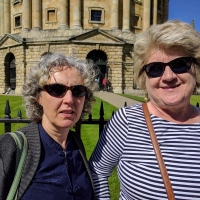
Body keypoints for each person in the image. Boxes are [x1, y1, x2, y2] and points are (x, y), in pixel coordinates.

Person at [89, 20, 200, 199]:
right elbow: (97, 172)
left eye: (180, 64)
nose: (169, 76)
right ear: (143, 77)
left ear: (195, 69)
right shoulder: (127, 121)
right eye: (155, 68)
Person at [0, 52, 98, 200]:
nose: (69, 100)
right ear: (38, 96)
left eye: (78, 90)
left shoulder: (76, 144)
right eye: (57, 90)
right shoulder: (11, 146)